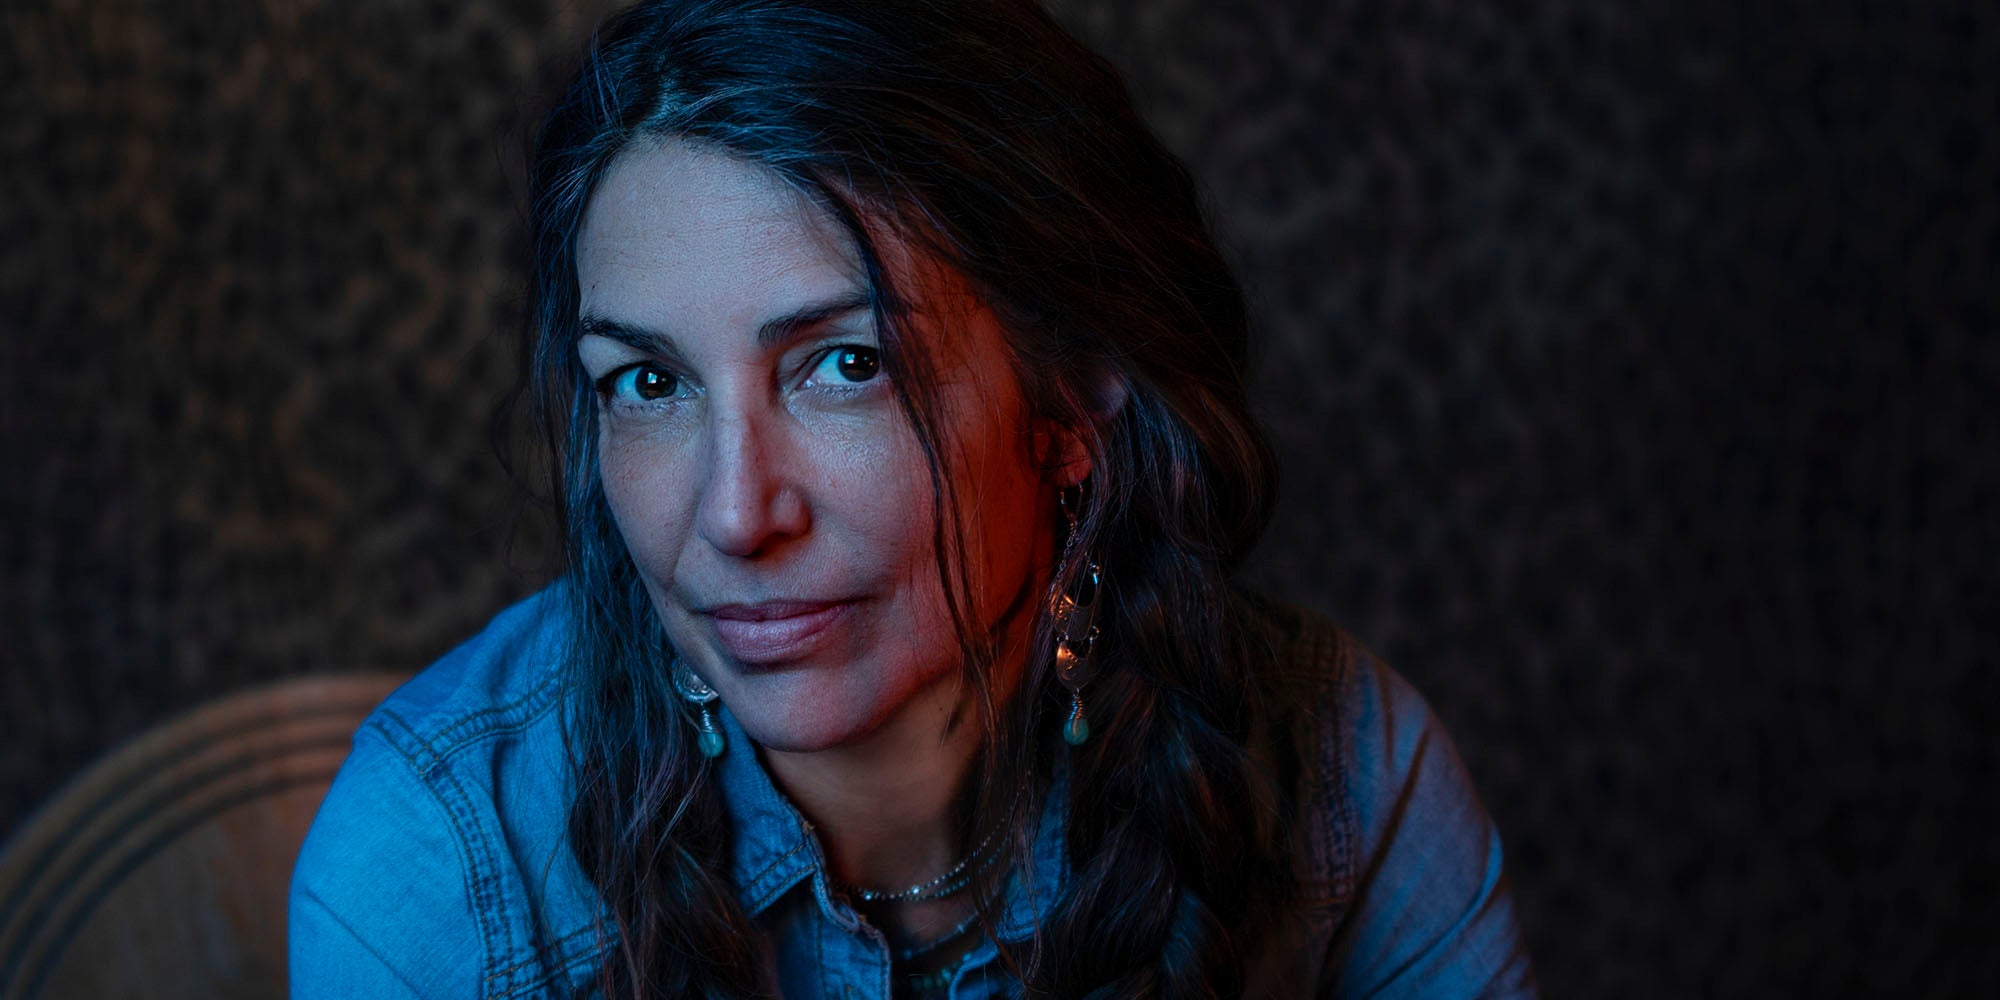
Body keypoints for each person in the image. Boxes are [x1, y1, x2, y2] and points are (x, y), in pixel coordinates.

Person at [288, 0, 1537, 996]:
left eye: (846, 365)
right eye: (649, 381)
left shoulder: (1342, 774)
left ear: (1074, 403)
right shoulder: (441, 868)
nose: (733, 514)